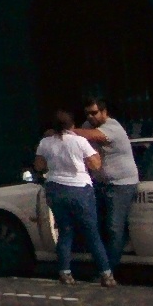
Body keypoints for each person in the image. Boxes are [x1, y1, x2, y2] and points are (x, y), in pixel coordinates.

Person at [32, 107, 109, 284]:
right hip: (79, 187)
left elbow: (39, 166)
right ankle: (106, 273)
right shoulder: (79, 141)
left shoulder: (46, 143)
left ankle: (65, 272)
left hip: (55, 188)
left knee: (65, 231)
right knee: (92, 232)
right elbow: (95, 165)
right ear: (72, 125)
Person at [80, 98, 139, 268]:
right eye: (87, 114)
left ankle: (109, 269)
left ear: (104, 112)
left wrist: (66, 131)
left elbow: (96, 137)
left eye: (94, 113)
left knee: (114, 226)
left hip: (121, 184)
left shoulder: (112, 127)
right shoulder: (86, 127)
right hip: (100, 183)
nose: (90, 117)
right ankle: (102, 263)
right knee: (97, 225)